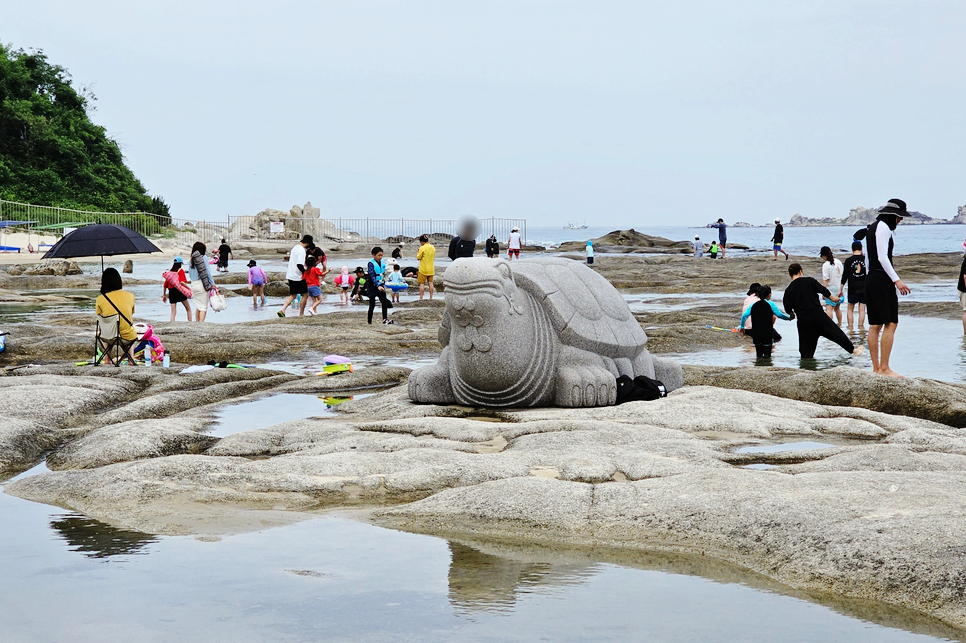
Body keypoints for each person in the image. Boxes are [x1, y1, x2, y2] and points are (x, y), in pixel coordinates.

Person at [863, 199, 911, 377]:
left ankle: (876, 368)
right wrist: (897, 280)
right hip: (881, 278)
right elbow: (883, 258)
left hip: (872, 278)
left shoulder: (872, 228)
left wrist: (869, 278)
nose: (900, 220)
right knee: (891, 323)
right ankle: (884, 368)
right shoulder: (884, 228)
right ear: (893, 215)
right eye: (899, 217)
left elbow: (868, 258)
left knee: (875, 324)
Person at [782, 263, 863, 359]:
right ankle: (853, 350)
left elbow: (787, 307)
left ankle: (807, 366)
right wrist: (832, 298)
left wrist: (791, 315)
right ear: (801, 271)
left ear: (790, 275)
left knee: (806, 351)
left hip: (804, 321)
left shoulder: (788, 290)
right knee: (836, 333)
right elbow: (823, 290)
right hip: (818, 316)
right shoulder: (810, 281)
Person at [96, 268, 137, 365]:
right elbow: (131, 313)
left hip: (108, 337)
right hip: (126, 337)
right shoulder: (130, 296)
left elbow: (100, 316)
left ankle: (107, 359)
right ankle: (131, 359)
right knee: (128, 328)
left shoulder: (100, 298)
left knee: (107, 328)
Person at [740, 285, 792, 359]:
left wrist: (742, 327)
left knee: (759, 355)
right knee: (767, 356)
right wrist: (789, 318)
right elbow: (779, 315)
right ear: (769, 295)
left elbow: (744, 316)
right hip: (767, 334)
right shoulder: (771, 304)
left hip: (756, 334)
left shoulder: (753, 305)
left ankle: (758, 367)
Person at [279, 235, 312, 317]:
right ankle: (301, 313)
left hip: (290, 275)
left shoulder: (295, 248)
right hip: (298, 277)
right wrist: (305, 272)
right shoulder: (301, 251)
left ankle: (282, 309)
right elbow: (299, 265)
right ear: (307, 243)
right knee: (305, 295)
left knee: (293, 295)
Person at [842, 241, 867, 330]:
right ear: (861, 248)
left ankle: (851, 328)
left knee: (850, 309)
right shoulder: (865, 259)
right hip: (864, 287)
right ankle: (861, 328)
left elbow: (844, 276)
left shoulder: (848, 261)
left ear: (852, 249)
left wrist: (841, 289)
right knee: (862, 310)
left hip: (852, 287)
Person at [366, 247, 394, 324]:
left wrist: (384, 282)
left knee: (384, 301)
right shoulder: (371, 264)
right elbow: (371, 276)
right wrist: (377, 285)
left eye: (381, 255)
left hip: (381, 284)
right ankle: (369, 322)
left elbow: (383, 273)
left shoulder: (382, 262)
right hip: (372, 285)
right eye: (379, 255)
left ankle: (384, 319)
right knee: (372, 304)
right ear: (374, 255)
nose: (380, 257)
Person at [189, 242, 215, 322]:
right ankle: (201, 324)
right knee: (203, 307)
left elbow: (190, 274)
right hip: (201, 284)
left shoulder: (191, 259)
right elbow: (207, 272)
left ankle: (197, 323)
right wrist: (212, 283)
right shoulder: (203, 258)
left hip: (193, 284)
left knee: (198, 306)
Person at [820, 246, 845, 325]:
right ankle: (840, 323)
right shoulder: (838, 262)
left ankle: (829, 325)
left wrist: (824, 291)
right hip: (839, 287)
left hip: (831, 288)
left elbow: (826, 279)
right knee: (837, 308)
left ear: (823, 255)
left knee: (829, 308)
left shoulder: (826, 265)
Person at [162, 257, 191, 322]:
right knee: (188, 308)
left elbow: (164, 285)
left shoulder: (169, 273)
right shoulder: (180, 271)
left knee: (173, 312)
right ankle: (190, 322)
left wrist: (164, 295)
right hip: (179, 291)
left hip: (171, 292)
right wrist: (189, 288)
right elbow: (182, 282)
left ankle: (172, 324)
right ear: (180, 264)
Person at [417, 234, 436, 300]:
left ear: (422, 241)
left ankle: (421, 298)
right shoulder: (433, 247)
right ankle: (431, 297)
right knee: (430, 283)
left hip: (423, 269)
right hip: (431, 268)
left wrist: (417, 252)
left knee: (422, 284)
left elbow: (418, 257)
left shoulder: (422, 248)